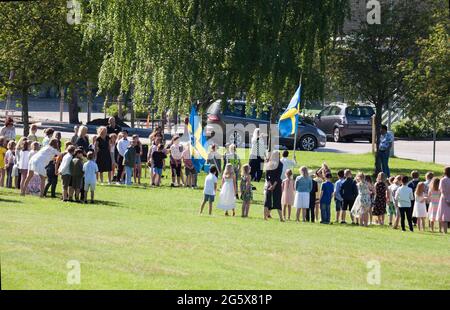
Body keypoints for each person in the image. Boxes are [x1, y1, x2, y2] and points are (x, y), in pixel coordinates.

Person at [263, 151, 284, 222]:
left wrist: (270, 184)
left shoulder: (269, 163)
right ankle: (281, 218)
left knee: (268, 200)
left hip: (271, 183)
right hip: (276, 184)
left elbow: (266, 176)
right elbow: (278, 176)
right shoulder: (280, 164)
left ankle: (265, 217)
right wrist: (273, 185)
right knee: (277, 200)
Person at [435, 167, 450, 234]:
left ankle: (445, 231)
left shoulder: (443, 180)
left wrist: (447, 199)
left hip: (444, 198)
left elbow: (442, 190)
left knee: (444, 215)